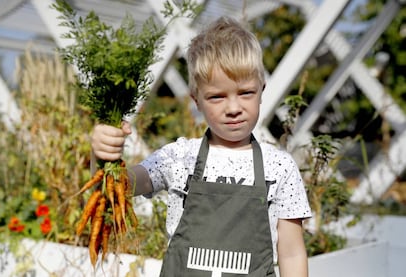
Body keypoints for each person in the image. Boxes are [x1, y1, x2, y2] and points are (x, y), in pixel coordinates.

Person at [91, 16, 312, 277]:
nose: (233, 108)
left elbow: (292, 253)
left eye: (245, 93)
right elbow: (118, 186)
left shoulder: (280, 167)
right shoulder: (179, 157)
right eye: (216, 97)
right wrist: (103, 154)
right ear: (197, 100)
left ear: (261, 90)